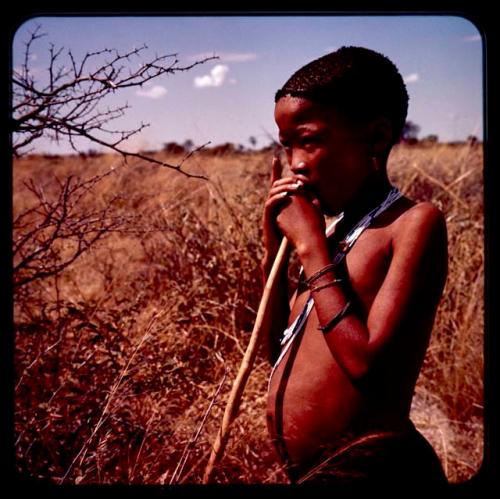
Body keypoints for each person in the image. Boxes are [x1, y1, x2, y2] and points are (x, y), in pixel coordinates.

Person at [261, 46, 449, 490]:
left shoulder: (412, 224)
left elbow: (368, 366)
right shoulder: (330, 238)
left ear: (377, 138)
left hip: (382, 474)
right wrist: (275, 252)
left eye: (309, 140)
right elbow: (274, 355)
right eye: (287, 147)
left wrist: (308, 247)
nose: (296, 164)